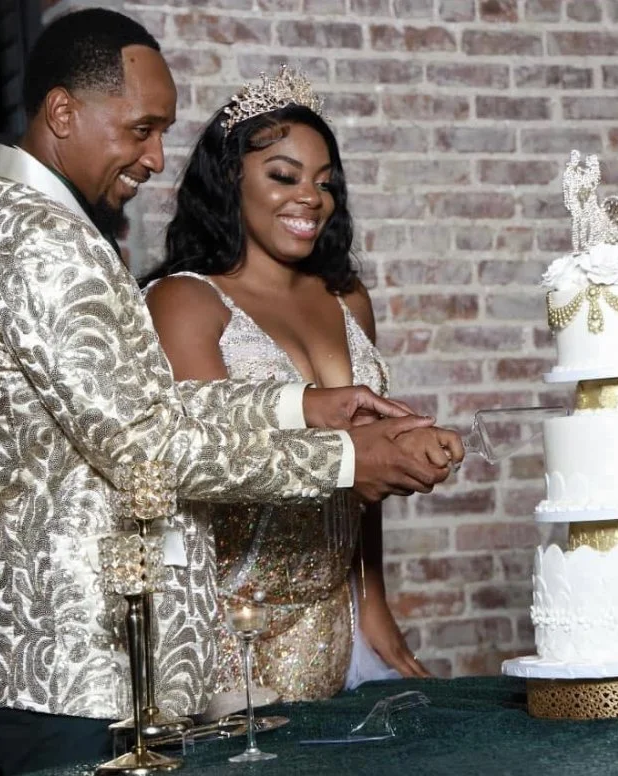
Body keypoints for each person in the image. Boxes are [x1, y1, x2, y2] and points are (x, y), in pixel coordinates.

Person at [0, 9, 459, 775]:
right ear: (63, 112)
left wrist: (299, 405)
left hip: (36, 669)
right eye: (141, 129)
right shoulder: (45, 245)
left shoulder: (22, 222)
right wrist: (345, 459)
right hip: (62, 675)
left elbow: (142, 407)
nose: (154, 157)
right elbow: (146, 448)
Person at [141, 69, 447, 711]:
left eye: (325, 182)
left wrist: (373, 603)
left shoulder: (347, 298)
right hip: (229, 621)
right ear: (230, 179)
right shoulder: (185, 302)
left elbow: (366, 480)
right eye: (284, 176)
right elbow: (210, 463)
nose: (310, 197)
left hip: (331, 610)